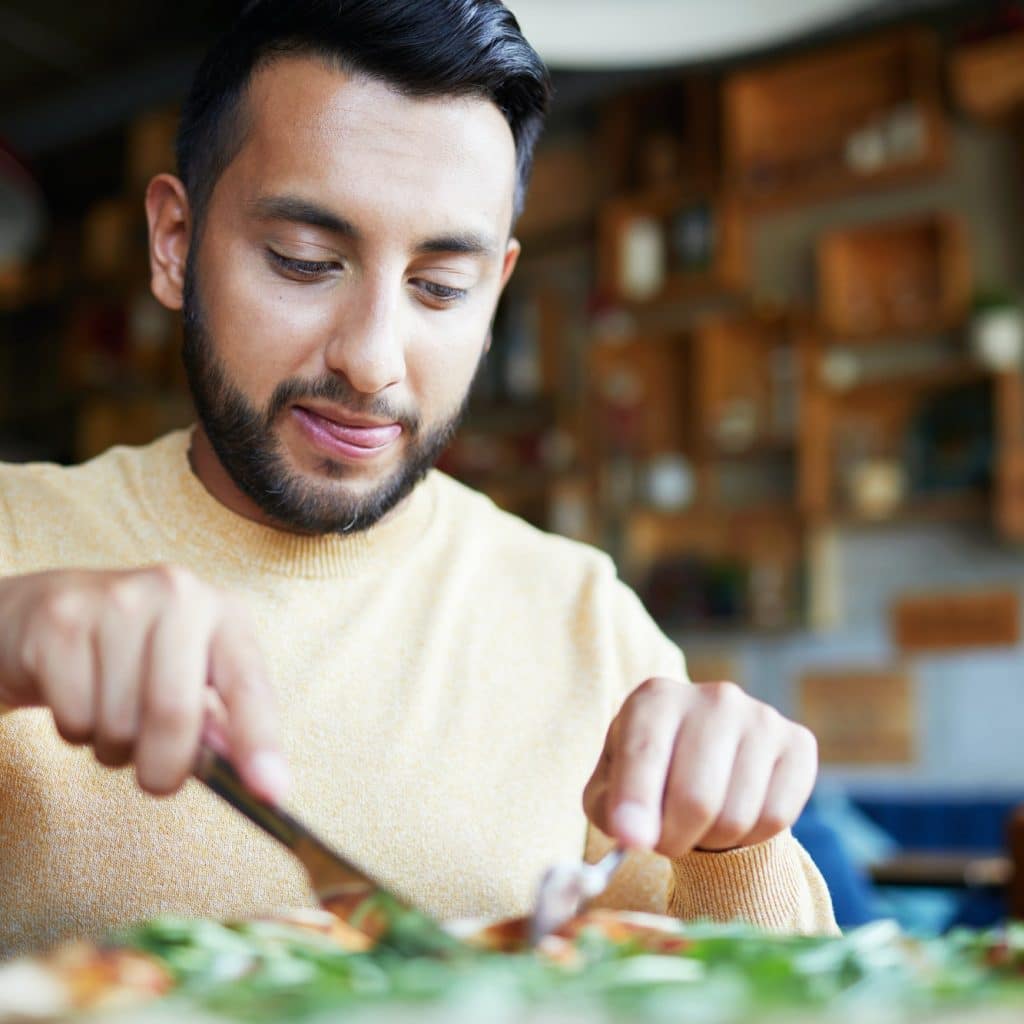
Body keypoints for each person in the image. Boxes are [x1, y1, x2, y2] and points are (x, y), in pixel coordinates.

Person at [0, 0, 834, 957]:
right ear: (176, 244)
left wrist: (737, 850)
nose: (373, 360)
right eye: (304, 261)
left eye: (441, 287)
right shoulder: (13, 544)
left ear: (495, 299)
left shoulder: (584, 623)